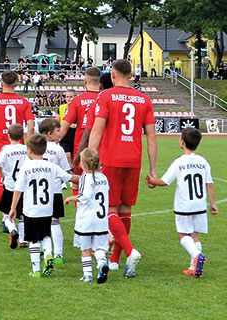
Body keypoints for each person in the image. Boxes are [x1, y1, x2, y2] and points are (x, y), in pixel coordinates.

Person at [88, 59, 155, 277]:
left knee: (110, 210)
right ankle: (115, 260)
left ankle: (129, 250)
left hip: (111, 159)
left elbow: (97, 130)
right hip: (133, 160)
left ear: (113, 75)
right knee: (126, 210)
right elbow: (151, 138)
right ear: (132, 75)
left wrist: (89, 158)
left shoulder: (106, 96)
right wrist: (153, 170)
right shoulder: (144, 99)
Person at [145, 128, 217, 278]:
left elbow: (165, 181)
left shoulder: (179, 162)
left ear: (182, 142)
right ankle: (193, 266)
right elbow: (209, 184)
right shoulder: (203, 162)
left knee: (183, 234)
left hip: (184, 205)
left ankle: (197, 256)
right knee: (195, 234)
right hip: (200, 205)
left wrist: (152, 181)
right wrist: (213, 203)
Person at [10, 135, 77, 279]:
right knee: (46, 234)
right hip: (47, 209)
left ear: (29, 150)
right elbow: (70, 178)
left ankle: (36, 270)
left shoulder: (26, 168)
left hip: (31, 210)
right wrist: (90, 177)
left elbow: (18, 190)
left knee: (34, 239)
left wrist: (13, 208)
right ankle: (48, 255)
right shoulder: (52, 167)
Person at [0, 70, 35, 204]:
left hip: (0, 146)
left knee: (1, 181)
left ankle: (6, 216)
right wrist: (29, 147)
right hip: (19, 146)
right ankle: (20, 213)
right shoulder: (23, 101)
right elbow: (31, 127)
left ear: (1, 83)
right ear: (16, 84)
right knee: (21, 179)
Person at [63, 148, 111, 283]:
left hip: (86, 220)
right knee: (99, 248)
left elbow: (84, 197)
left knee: (85, 249)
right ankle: (102, 264)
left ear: (83, 164)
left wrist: (70, 198)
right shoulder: (104, 177)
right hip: (101, 221)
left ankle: (87, 275)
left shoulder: (86, 177)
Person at [39, 119, 72, 264]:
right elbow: (66, 170)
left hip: (39, 191)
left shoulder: (37, 147)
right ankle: (58, 254)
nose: (61, 133)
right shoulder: (58, 149)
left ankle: (44, 249)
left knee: (40, 220)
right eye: (58, 131)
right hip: (55, 190)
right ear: (49, 134)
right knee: (54, 221)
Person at [0, 124, 28, 248]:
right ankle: (24, 240)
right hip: (23, 186)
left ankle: (13, 230)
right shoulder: (26, 149)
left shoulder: (6, 149)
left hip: (10, 186)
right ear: (22, 136)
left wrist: (2, 175)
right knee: (22, 214)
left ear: (8, 136)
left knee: (6, 212)